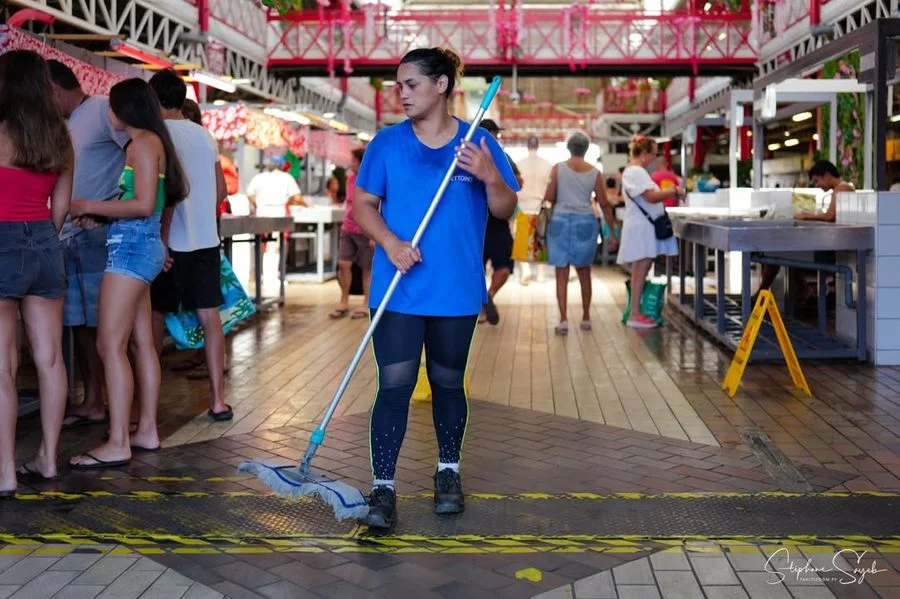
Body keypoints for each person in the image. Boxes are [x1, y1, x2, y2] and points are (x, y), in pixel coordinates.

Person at [352, 47, 519, 528]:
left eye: (411, 84)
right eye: (398, 85)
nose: (400, 94)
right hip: (398, 289)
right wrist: (391, 242)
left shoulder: (479, 144)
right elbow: (364, 205)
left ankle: (448, 472)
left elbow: (506, 209)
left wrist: (490, 177)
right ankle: (383, 488)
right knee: (396, 385)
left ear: (442, 85)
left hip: (456, 293)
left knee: (448, 383)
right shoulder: (386, 144)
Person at [68, 78, 189, 469]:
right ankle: (146, 430)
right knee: (140, 343)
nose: (107, 113)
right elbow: (146, 204)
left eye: (111, 107)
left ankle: (119, 440)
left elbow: (139, 206)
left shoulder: (141, 144)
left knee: (109, 346)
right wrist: (99, 216)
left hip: (131, 251)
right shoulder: (153, 143)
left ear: (126, 110)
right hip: (141, 246)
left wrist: (89, 203)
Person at [0, 51, 74, 494]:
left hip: (2, 242)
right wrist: (43, 236)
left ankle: (5, 471)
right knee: (50, 359)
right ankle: (47, 459)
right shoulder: (59, 137)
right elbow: (60, 207)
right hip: (46, 242)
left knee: (4, 366)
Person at [48, 60, 130, 429]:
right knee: (79, 324)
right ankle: (93, 400)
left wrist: (109, 209)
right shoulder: (60, 125)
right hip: (68, 237)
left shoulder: (100, 111)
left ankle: (119, 407)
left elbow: (137, 158)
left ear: (55, 88)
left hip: (98, 235)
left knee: (105, 327)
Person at [147, 70, 231, 421]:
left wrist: (161, 242)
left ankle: (146, 411)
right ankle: (218, 401)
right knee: (210, 318)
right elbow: (222, 192)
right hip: (205, 243)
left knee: (152, 320)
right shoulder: (205, 136)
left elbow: (166, 196)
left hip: (169, 245)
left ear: (154, 100)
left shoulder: (158, 136)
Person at [544, 132, 618, 335]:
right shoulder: (595, 172)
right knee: (584, 272)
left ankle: (563, 320)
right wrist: (612, 232)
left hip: (560, 221)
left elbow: (549, 198)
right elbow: (603, 203)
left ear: (569, 148)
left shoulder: (558, 168)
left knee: (561, 272)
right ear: (586, 149)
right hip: (585, 221)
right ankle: (586, 317)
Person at [753, 160, 853, 299]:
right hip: (834, 244)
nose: (817, 185)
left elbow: (830, 216)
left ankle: (763, 293)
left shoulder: (841, 189)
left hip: (833, 250)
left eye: (817, 181)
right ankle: (802, 289)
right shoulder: (840, 189)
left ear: (827, 175)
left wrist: (806, 216)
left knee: (777, 252)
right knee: (782, 253)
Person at [617, 135, 681, 329]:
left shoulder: (635, 171)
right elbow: (651, 197)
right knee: (641, 269)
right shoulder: (636, 172)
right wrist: (674, 191)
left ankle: (636, 312)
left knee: (640, 269)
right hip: (642, 227)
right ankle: (635, 314)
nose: (654, 158)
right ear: (643, 153)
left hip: (642, 226)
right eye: (652, 154)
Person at [479, 119, 522, 325]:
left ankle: (481, 305)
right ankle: (490, 294)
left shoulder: (465, 153)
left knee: (474, 267)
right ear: (492, 134)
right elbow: (519, 182)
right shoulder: (502, 157)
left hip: (475, 222)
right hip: (498, 221)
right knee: (503, 266)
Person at [330, 147, 373, 319]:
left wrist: (373, 234)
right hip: (347, 227)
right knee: (343, 263)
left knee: (366, 268)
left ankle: (366, 303)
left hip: (365, 229)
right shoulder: (350, 179)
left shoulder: (370, 179)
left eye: (354, 161)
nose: (351, 163)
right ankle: (344, 300)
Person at [516, 135, 553, 285]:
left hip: (523, 206)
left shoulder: (519, 165)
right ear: (538, 146)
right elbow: (550, 188)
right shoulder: (546, 165)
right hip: (540, 207)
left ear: (527, 146)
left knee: (523, 242)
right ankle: (541, 274)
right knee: (540, 242)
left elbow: (515, 187)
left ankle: (526, 272)